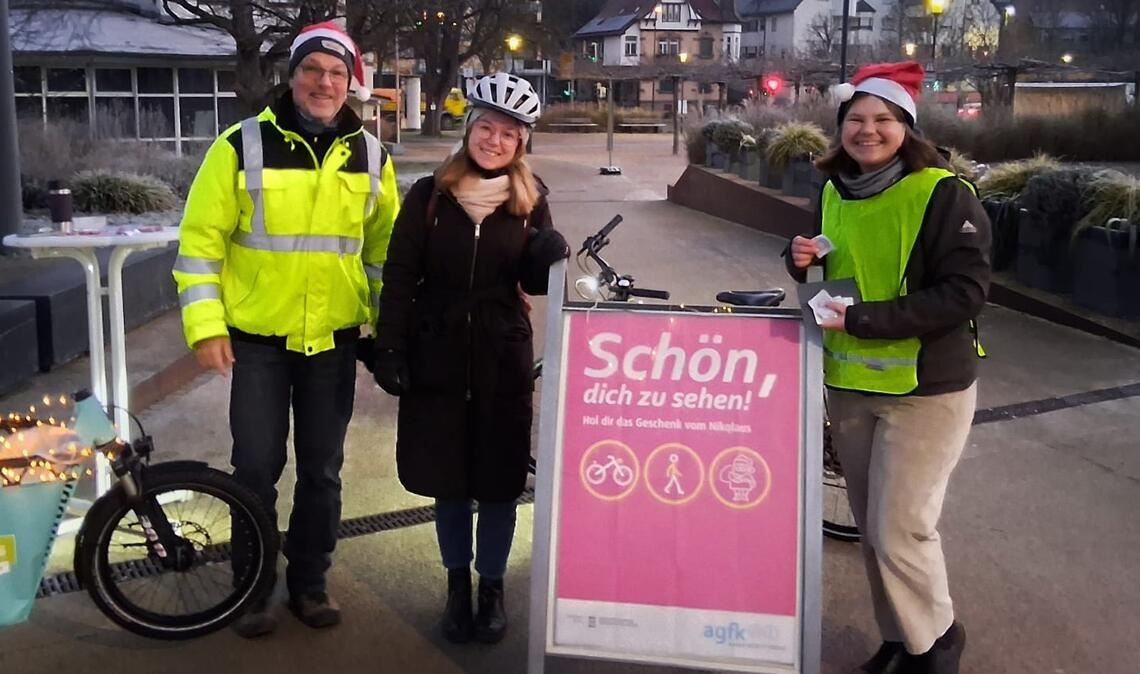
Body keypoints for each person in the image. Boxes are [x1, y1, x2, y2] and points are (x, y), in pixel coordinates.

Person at [172, 21, 399, 637]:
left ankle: (310, 584)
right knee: (255, 469)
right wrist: (206, 327)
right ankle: (251, 589)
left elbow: (384, 255)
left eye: (336, 73)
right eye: (312, 70)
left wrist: (386, 333)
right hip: (258, 344)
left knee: (322, 471)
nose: (324, 83)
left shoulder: (372, 157)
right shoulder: (239, 146)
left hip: (332, 342)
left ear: (350, 84)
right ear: (292, 75)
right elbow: (199, 245)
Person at [785, 62, 991, 674]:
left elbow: (965, 293)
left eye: (883, 119)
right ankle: (901, 639)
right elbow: (831, 269)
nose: (867, 130)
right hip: (850, 385)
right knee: (875, 532)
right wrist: (798, 260)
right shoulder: (833, 190)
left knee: (902, 530)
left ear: (907, 127)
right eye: (856, 119)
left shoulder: (943, 193)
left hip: (925, 389)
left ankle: (937, 644)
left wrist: (864, 320)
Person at [371, 72, 568, 645]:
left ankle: (492, 588)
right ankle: (457, 587)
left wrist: (547, 255)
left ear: (522, 142)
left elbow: (533, 281)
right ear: (469, 129)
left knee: (501, 482)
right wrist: (390, 347)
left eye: (509, 133)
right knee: (450, 481)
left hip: (501, 360)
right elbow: (400, 275)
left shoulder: (531, 201)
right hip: (437, 355)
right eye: (486, 127)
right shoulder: (429, 196)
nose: (494, 140)